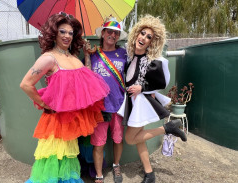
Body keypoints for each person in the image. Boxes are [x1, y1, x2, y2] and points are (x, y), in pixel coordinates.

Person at [20, 12, 110, 183]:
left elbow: (87, 81)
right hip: (56, 122)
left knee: (67, 161)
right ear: (54, 33)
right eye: (62, 31)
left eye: (70, 32)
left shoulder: (74, 57)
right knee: (54, 161)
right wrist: (44, 104)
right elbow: (25, 84)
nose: (67, 36)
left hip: (72, 121)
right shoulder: (49, 58)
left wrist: (88, 55)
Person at [117, 14, 187, 183]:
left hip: (141, 103)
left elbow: (161, 81)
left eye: (149, 37)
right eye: (142, 33)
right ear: (136, 34)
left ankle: (168, 128)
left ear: (151, 43)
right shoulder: (131, 56)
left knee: (130, 138)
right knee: (139, 138)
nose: (144, 38)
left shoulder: (151, 61)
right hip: (132, 103)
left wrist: (143, 88)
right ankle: (150, 174)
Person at [83, 16, 127, 183]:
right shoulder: (94, 54)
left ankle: (116, 165)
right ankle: (99, 176)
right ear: (102, 34)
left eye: (116, 33)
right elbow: (86, 75)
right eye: (109, 31)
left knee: (118, 139)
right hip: (99, 107)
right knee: (98, 143)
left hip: (118, 104)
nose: (113, 35)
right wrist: (86, 55)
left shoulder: (124, 53)